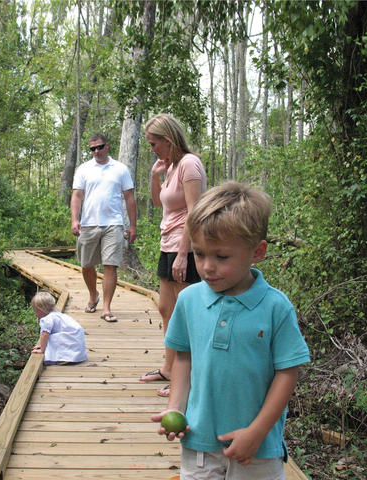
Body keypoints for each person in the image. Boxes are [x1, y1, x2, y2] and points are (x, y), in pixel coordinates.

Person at [151, 181, 310, 480]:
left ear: (257, 251)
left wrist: (256, 432)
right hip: (198, 442)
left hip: (257, 450)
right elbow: (183, 359)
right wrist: (176, 409)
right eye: (199, 254)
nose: (207, 267)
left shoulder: (276, 307)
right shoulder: (188, 300)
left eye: (221, 257)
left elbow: (287, 373)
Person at [139, 114, 207, 397]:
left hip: (186, 248)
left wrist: (183, 254)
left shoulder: (190, 165)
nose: (151, 149)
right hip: (168, 243)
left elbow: (195, 211)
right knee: (166, 308)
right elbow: (159, 203)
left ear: (169, 139)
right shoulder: (172, 166)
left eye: (154, 143)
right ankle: (169, 367)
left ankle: (187, 378)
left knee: (186, 313)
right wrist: (156, 175)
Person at [70, 134, 137, 323]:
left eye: (99, 147)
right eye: (92, 149)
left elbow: (130, 198)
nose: (96, 152)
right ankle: (93, 295)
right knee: (86, 265)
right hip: (89, 223)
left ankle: (106, 308)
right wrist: (75, 220)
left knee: (110, 265)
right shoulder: (84, 169)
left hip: (114, 223)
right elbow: (77, 196)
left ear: (107, 146)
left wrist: (132, 225)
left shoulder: (120, 169)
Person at [31, 291, 87, 365]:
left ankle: (61, 357)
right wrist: (41, 344)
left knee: (49, 337)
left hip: (71, 339)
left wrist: (42, 349)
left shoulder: (47, 319)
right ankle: (70, 356)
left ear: (40, 310)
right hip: (76, 342)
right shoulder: (58, 315)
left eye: (36, 311)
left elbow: (45, 335)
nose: (35, 314)